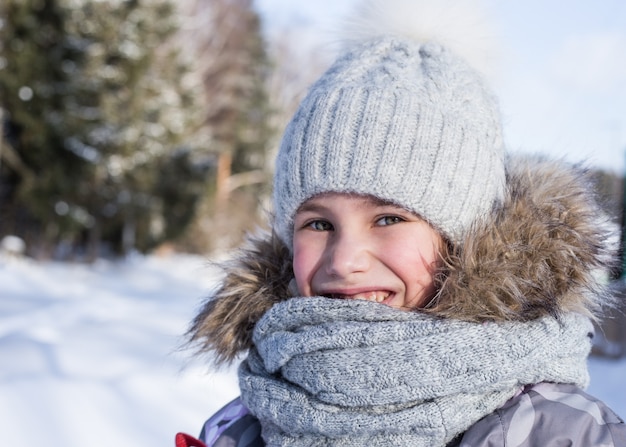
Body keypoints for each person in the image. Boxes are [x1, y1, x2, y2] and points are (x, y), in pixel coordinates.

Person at [175, 0, 626, 445]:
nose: (345, 261)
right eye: (318, 224)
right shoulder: (244, 423)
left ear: (466, 239)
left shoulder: (565, 434)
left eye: (389, 218)